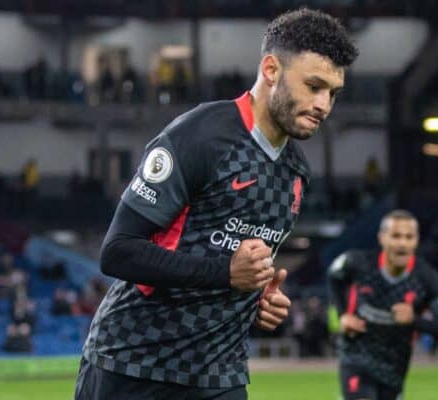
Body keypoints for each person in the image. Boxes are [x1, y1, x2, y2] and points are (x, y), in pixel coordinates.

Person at [75, 8, 358, 400]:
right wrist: (226, 274)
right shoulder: (202, 136)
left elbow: (228, 262)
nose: (324, 105)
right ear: (271, 70)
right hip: (133, 366)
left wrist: (258, 298)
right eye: (313, 86)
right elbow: (118, 252)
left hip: (220, 377)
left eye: (333, 93)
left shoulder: (296, 173)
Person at [328, 210, 438, 400]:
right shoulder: (357, 263)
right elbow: (334, 277)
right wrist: (342, 316)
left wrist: (415, 320)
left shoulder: (427, 278)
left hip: (394, 368)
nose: (402, 243)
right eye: (396, 236)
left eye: (409, 237)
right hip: (357, 356)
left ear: (416, 240)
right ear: (382, 238)